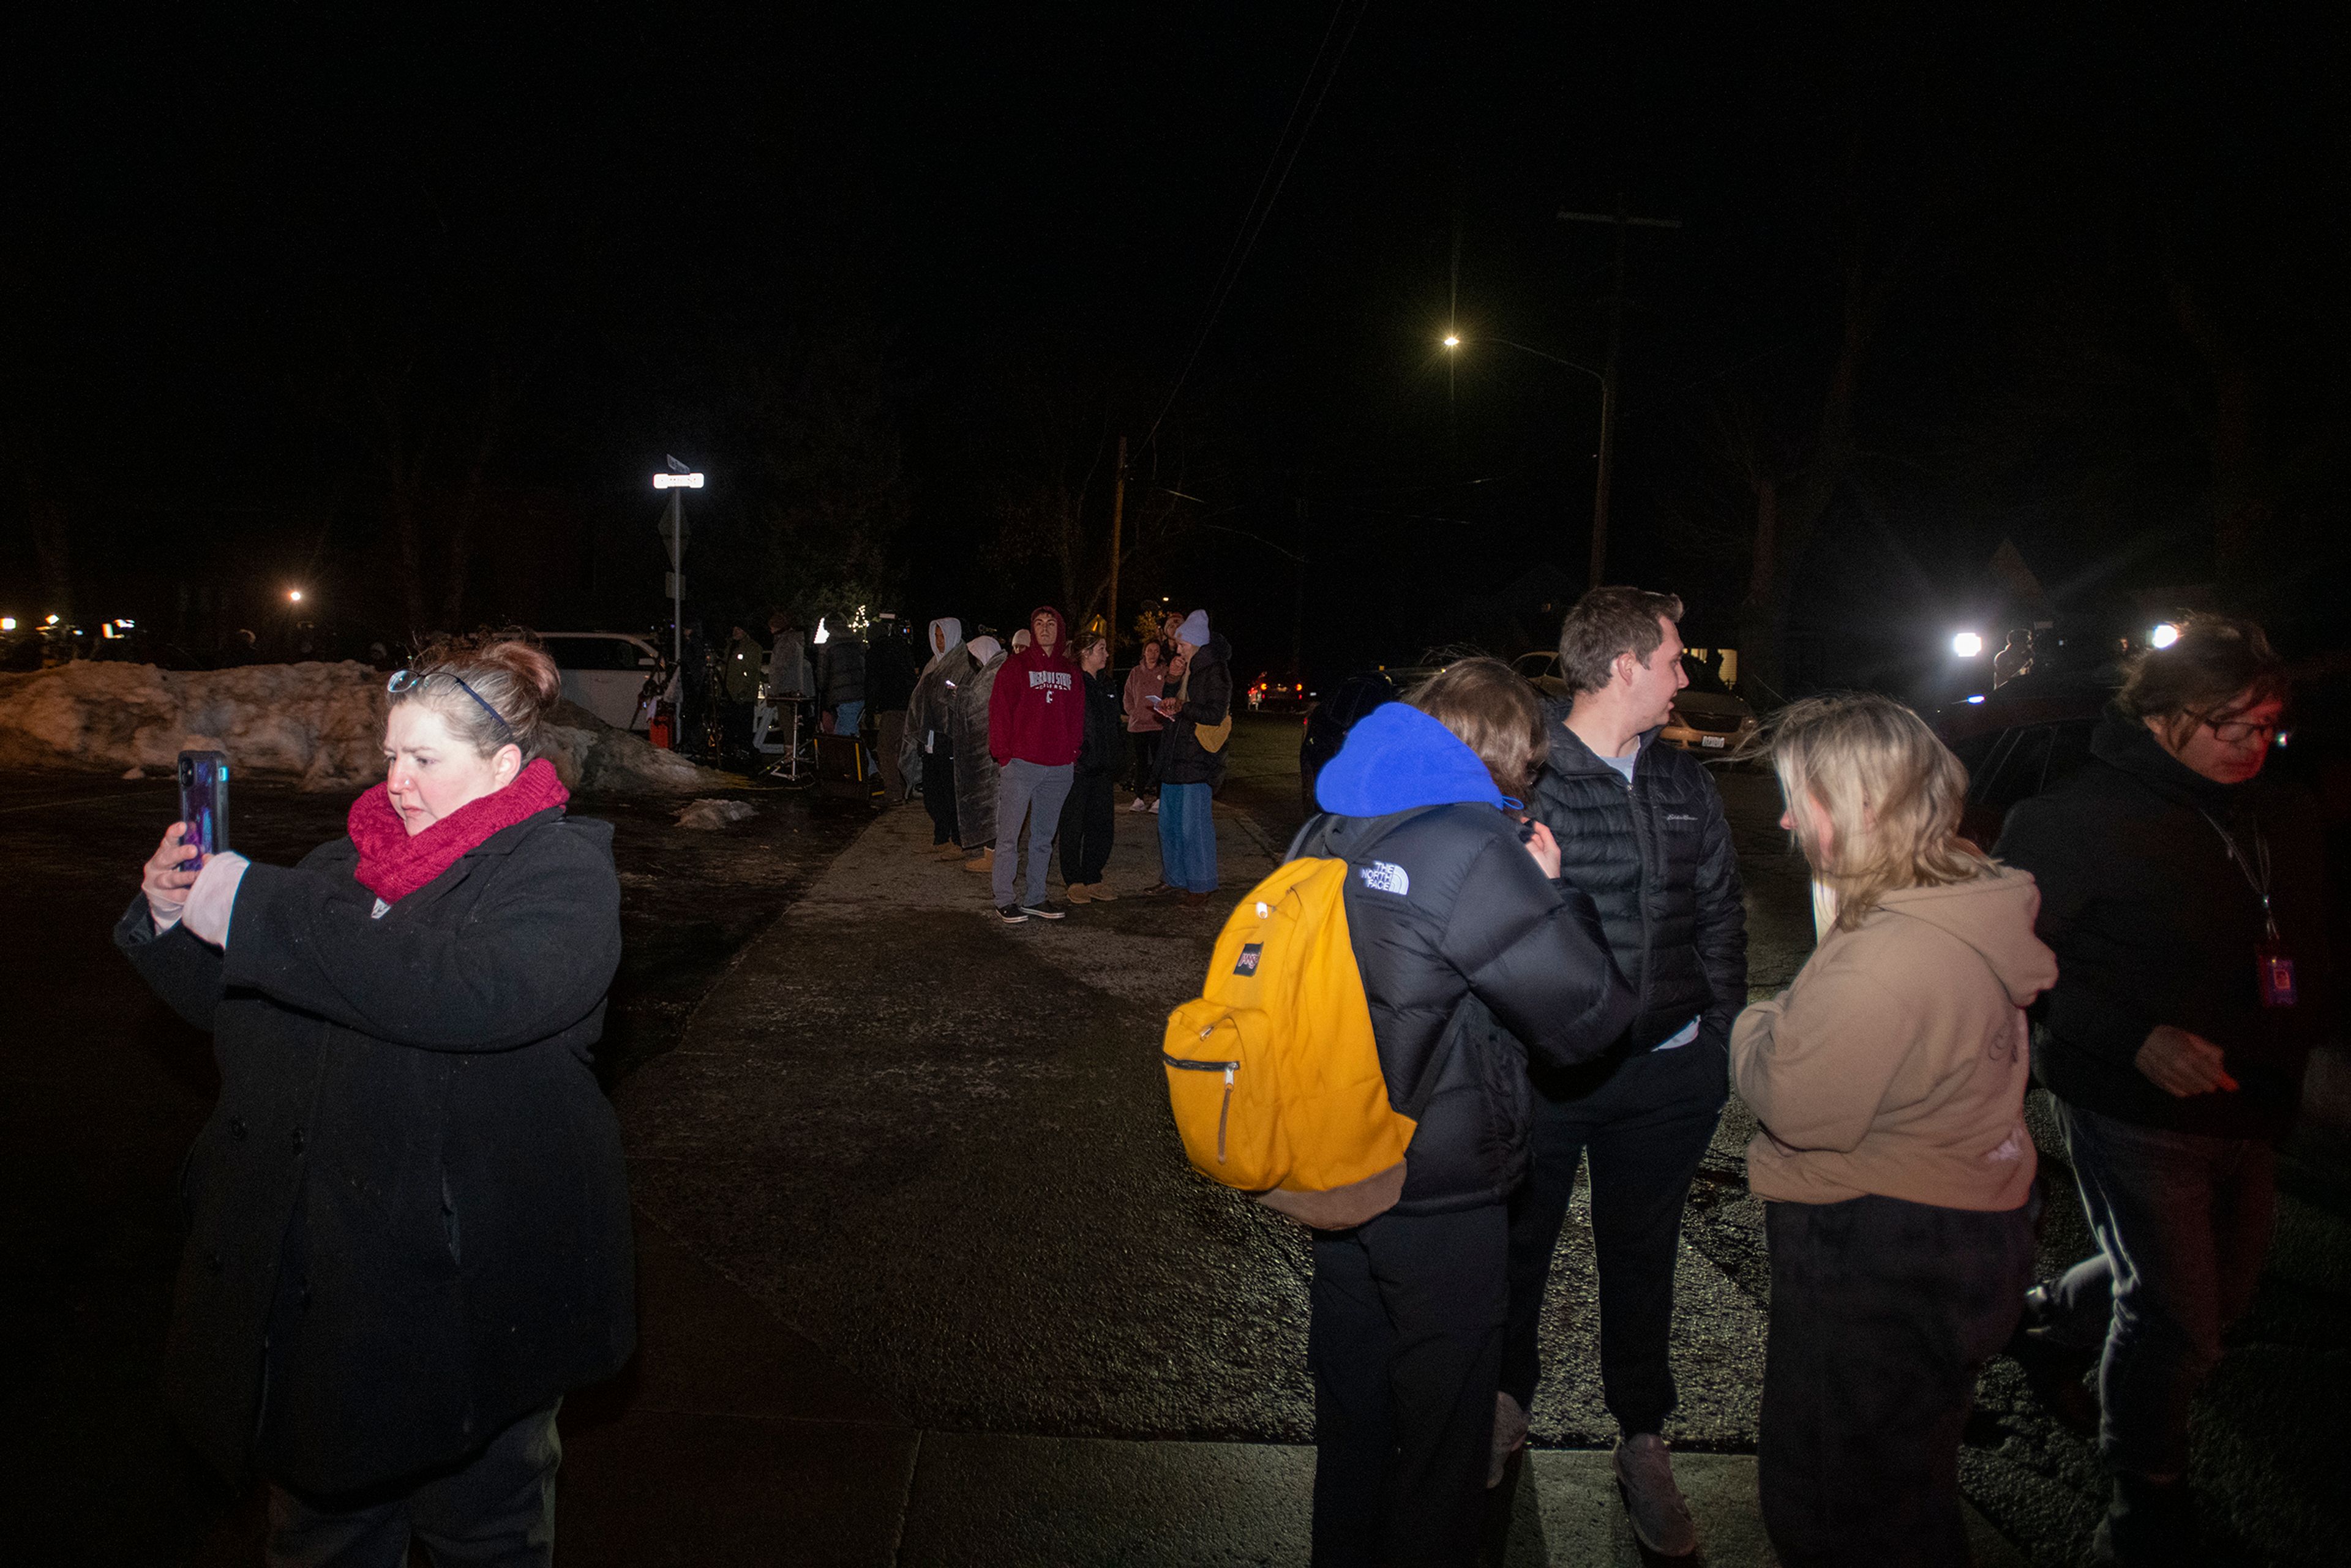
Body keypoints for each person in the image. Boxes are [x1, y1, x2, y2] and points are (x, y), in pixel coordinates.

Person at [116, 635, 631, 1567]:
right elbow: (254, 1018)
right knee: (323, 1531)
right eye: (391, 755)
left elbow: (467, 991)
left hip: (466, 1288)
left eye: (426, 759)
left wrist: (260, 913)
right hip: (332, 1286)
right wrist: (176, 919)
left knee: (485, 1530)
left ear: (503, 764)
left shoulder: (558, 874)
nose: (398, 781)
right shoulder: (337, 866)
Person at [1994, 615, 2327, 1566]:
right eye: (2231, 725)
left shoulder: (2282, 811)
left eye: (2268, 726)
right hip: (2128, 1102)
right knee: (2177, 1318)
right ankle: (2144, 1497)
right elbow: (2019, 962)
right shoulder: (2072, 818)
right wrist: (2131, 1037)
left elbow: (2304, 949)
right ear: (2164, 716)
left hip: (2251, 1100)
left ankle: (2047, 1315)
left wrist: (2297, 1046)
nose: (2252, 745)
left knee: (2220, 1297)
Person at [1303, 657, 1637, 1567]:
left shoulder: (1332, 822)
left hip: (1336, 1166)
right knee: (1446, 1436)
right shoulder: (1474, 849)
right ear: (1505, 752)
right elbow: (1590, 1017)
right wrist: (1557, 890)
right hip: (1438, 1191)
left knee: (1353, 1415)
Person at [1732, 693, 2055, 1567]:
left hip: (1880, 1248)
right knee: (1905, 1484)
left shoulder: (1890, 954)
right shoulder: (1956, 894)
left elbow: (1800, 1104)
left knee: (1841, 1505)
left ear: (1865, 804)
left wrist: (1756, 1026)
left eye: (1804, 796)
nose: (1789, 817)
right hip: (1960, 1225)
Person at [1501, 587, 1745, 1556]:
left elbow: (1722, 915)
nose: (1690, 675)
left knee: (1642, 1266)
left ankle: (1643, 1438)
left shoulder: (1686, 781)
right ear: (1624, 668)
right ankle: (1502, 1405)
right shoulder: (1528, 777)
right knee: (1518, 1250)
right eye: (1677, 658)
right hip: (1551, 1078)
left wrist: (1716, 1043)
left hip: (1669, 1080)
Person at [987, 606, 1084, 923]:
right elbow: (1000, 710)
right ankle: (1004, 897)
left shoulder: (1070, 672)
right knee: (1009, 835)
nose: (1045, 629)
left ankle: (1036, 897)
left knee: (1044, 837)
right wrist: (1004, 754)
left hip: (1058, 767)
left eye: (1051, 624)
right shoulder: (1015, 667)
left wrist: (1072, 753)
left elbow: (1077, 715)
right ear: (1031, 629)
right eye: (1039, 624)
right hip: (1021, 764)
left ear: (1060, 630)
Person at [1150, 609, 1230, 906]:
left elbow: (1214, 714)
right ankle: (1175, 879)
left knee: (1193, 826)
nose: (1177, 647)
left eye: (1182, 643)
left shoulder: (1215, 671)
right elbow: (1177, 701)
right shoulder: (1188, 668)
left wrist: (1183, 707)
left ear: (1195, 642)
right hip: (1174, 753)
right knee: (1168, 824)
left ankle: (1201, 884)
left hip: (1197, 758)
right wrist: (1172, 681)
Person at [1059, 630, 1124, 902]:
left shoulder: (1108, 686)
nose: (1107, 655)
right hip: (1079, 767)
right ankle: (1074, 880)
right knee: (1074, 825)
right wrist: (1076, 755)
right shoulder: (1073, 683)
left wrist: (1118, 757)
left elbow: (1114, 725)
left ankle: (1093, 876)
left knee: (1102, 825)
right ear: (1085, 654)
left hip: (1103, 768)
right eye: (1101, 649)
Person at [903, 618, 967, 858]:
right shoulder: (933, 664)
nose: (940, 641)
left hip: (949, 739)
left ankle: (958, 841)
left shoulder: (962, 664)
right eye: (936, 636)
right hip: (930, 739)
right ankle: (941, 837)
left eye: (943, 636)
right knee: (932, 793)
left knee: (951, 794)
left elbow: (960, 697)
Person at [953, 634, 1005, 876]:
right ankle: (993, 854)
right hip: (992, 747)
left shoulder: (995, 672)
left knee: (990, 804)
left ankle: (993, 857)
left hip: (989, 750)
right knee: (992, 804)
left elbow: (978, 704)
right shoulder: (996, 668)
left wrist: (958, 695)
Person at [866, 616, 918, 804]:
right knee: (899, 748)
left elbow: (873, 683)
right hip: (909, 703)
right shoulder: (901, 647)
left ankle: (894, 791)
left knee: (885, 748)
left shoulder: (876, 652)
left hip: (893, 704)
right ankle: (904, 787)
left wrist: (870, 709)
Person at [1122, 637, 1169, 812]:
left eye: (1156, 651)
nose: (1153, 654)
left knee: (1158, 761)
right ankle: (1139, 798)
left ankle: (1159, 798)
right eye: (1150, 650)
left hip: (1158, 725)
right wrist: (1132, 711)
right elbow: (1127, 693)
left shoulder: (1164, 672)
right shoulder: (1136, 672)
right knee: (1141, 762)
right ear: (1144, 652)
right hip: (1138, 725)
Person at [817, 615, 868, 749]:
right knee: (846, 733)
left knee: (846, 737)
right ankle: (864, 767)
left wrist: (823, 694)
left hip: (842, 695)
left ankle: (866, 768)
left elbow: (822, 676)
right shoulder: (858, 643)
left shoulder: (828, 646)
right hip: (861, 692)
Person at [719, 623, 765, 763]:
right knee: (729, 726)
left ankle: (745, 754)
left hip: (742, 696)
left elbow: (752, 672)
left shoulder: (753, 648)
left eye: (739, 629)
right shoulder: (730, 647)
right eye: (734, 629)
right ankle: (731, 752)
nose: (735, 632)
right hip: (729, 693)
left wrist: (743, 691)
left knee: (743, 727)